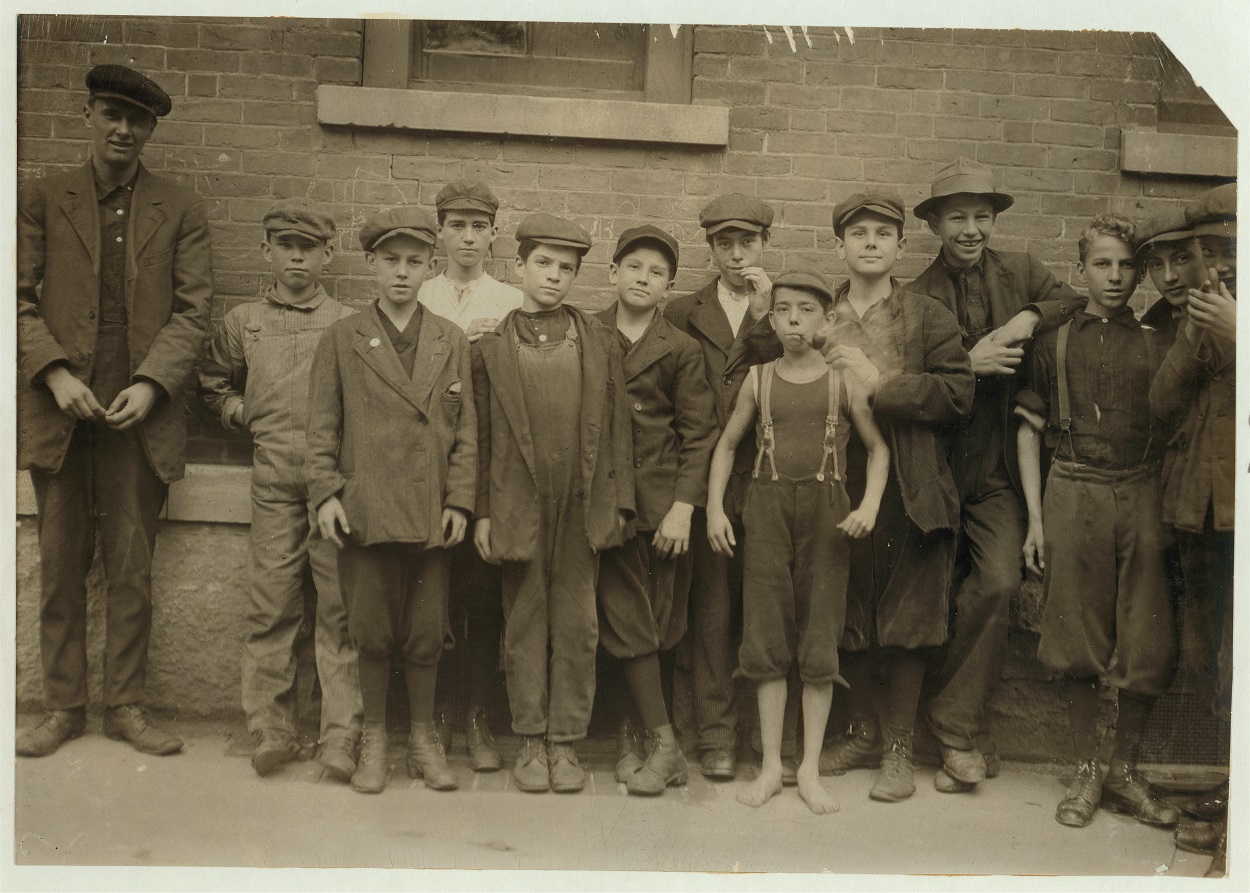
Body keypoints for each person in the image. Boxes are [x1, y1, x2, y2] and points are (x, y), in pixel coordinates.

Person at [16, 65, 212, 758]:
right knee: (61, 563)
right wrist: (55, 372)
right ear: (89, 115)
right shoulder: (42, 198)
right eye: (110, 114)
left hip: (138, 414)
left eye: (137, 120)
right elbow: (15, 298)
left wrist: (154, 384)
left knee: (131, 566)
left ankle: (126, 704)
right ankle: (62, 705)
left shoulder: (180, 208)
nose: (122, 129)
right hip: (60, 409)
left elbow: (193, 311)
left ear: (152, 128)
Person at [906, 158, 1083, 790]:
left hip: (1002, 468)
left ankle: (951, 726)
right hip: (939, 466)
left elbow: (1071, 298)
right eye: (958, 217)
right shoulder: (916, 296)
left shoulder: (1024, 273)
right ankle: (944, 736)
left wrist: (1025, 319)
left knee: (1001, 583)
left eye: (983, 217)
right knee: (927, 598)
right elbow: (910, 385)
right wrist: (966, 364)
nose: (972, 229)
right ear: (934, 224)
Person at [1016, 214, 1179, 831]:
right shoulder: (1055, 339)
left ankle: (1124, 772)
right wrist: (1035, 520)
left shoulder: (1157, 339)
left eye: (1127, 265)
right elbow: (1027, 432)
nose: (1116, 277)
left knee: (1146, 632)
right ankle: (1088, 769)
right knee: (1077, 631)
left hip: (1140, 491)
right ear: (1081, 269)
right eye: (1103, 264)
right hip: (1073, 489)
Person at [305, 207, 476, 794]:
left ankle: (423, 739)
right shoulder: (342, 338)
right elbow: (321, 427)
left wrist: (459, 501)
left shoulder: (450, 340)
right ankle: (375, 738)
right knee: (372, 630)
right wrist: (326, 493)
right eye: (390, 262)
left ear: (430, 268)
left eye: (414, 262)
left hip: (431, 512)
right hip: (367, 507)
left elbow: (467, 432)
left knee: (427, 631)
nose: (401, 273)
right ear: (371, 266)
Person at [708, 270, 889, 815]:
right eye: (783, 310)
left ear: (826, 319)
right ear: (771, 317)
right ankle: (770, 767)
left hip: (828, 514)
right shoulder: (759, 379)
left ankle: (808, 768)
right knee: (765, 638)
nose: (793, 320)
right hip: (764, 512)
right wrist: (716, 508)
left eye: (806, 311)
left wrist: (869, 506)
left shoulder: (843, 380)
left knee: (818, 640)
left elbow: (878, 449)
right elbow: (727, 445)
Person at [813, 194, 974, 802]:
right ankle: (863, 733)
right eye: (859, 233)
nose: (872, 242)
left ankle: (900, 749)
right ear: (840, 246)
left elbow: (959, 395)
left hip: (910, 483)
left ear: (901, 247)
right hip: (837, 480)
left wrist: (883, 383)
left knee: (908, 615)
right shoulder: (819, 311)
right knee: (848, 608)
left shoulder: (926, 315)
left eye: (885, 233)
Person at [198, 199, 362, 780]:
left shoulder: (347, 321)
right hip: (271, 479)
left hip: (329, 484)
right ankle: (271, 727)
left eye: (309, 247)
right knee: (272, 604)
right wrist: (242, 413)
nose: (297, 256)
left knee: (339, 608)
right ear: (266, 251)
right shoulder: (245, 322)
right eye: (285, 246)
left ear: (327, 254)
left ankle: (340, 733)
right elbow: (212, 382)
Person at [471, 213, 634, 794]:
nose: (555, 277)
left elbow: (618, 429)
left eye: (567, 268)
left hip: (580, 503)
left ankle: (566, 743)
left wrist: (620, 504)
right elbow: (483, 436)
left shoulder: (598, 340)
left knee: (578, 623)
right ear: (518, 266)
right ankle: (530, 741)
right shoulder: (491, 347)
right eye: (543, 263)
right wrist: (483, 513)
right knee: (524, 623)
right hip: (519, 503)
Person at [594, 225, 718, 796]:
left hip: (660, 506)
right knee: (625, 619)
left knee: (658, 623)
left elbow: (699, 436)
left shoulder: (681, 348)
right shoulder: (586, 334)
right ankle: (661, 743)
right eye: (634, 267)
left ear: (668, 287)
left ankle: (639, 736)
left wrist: (682, 508)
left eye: (657, 273)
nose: (643, 279)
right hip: (603, 506)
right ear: (613, 273)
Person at [663, 194, 783, 781]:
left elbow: (794, 375)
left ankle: (765, 740)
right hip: (707, 471)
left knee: (764, 607)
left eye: (749, 244)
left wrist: (767, 317)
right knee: (710, 610)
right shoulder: (683, 311)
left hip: (768, 475)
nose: (737, 256)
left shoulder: (788, 310)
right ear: (710, 248)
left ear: (764, 245)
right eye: (725, 245)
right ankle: (715, 736)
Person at [419, 179, 522, 770]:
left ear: (493, 234)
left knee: (482, 600)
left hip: (484, 468)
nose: (467, 236)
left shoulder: (508, 301)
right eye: (456, 224)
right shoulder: (419, 292)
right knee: (433, 603)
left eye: (478, 226)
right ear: (440, 231)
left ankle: (480, 719)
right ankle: (433, 718)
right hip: (427, 470)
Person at [1153, 183, 1236, 877]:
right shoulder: (1200, 314)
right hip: (1202, 508)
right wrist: (1195, 336)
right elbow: (1161, 401)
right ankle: (1221, 794)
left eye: (1226, 248)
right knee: (1208, 656)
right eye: (1204, 252)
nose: (1211, 267)